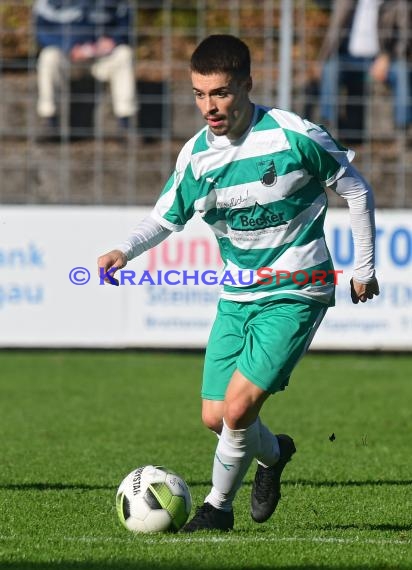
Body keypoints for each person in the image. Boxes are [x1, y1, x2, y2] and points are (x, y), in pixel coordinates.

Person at [98, 34, 379, 532]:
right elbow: (165, 219)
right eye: (200, 95)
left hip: (298, 286)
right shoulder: (196, 158)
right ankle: (273, 456)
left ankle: (217, 509)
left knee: (240, 406)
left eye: (222, 93)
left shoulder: (295, 136)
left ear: (247, 85)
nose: (210, 106)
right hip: (237, 294)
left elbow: (355, 188)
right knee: (216, 416)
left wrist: (365, 268)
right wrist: (125, 249)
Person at [33, 0, 136, 134]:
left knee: (124, 54)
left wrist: (113, 41)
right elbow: (42, 33)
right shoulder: (47, 2)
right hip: (67, 58)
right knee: (49, 56)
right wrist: (69, 48)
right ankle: (49, 121)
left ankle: (125, 123)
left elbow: (126, 24)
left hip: (102, 59)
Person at [316, 0, 381, 143]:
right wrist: (322, 60)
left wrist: (386, 57)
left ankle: (403, 132)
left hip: (379, 57)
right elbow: (333, 34)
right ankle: (329, 125)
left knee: (401, 71)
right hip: (347, 56)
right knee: (330, 69)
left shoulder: (391, 4)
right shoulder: (346, 3)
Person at [369, 0, 412, 133]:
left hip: (394, 58)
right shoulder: (384, 6)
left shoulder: (400, 5)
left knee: (402, 72)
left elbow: (405, 38)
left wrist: (386, 56)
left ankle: (402, 129)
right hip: (362, 58)